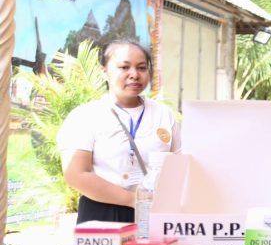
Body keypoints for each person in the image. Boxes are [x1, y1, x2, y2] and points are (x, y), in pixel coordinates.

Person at [56, 39, 179, 224]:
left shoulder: (164, 114)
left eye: (141, 68)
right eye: (124, 67)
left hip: (156, 212)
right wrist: (134, 200)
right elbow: (76, 174)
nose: (134, 75)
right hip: (103, 213)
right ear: (104, 71)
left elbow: (180, 166)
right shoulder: (84, 116)